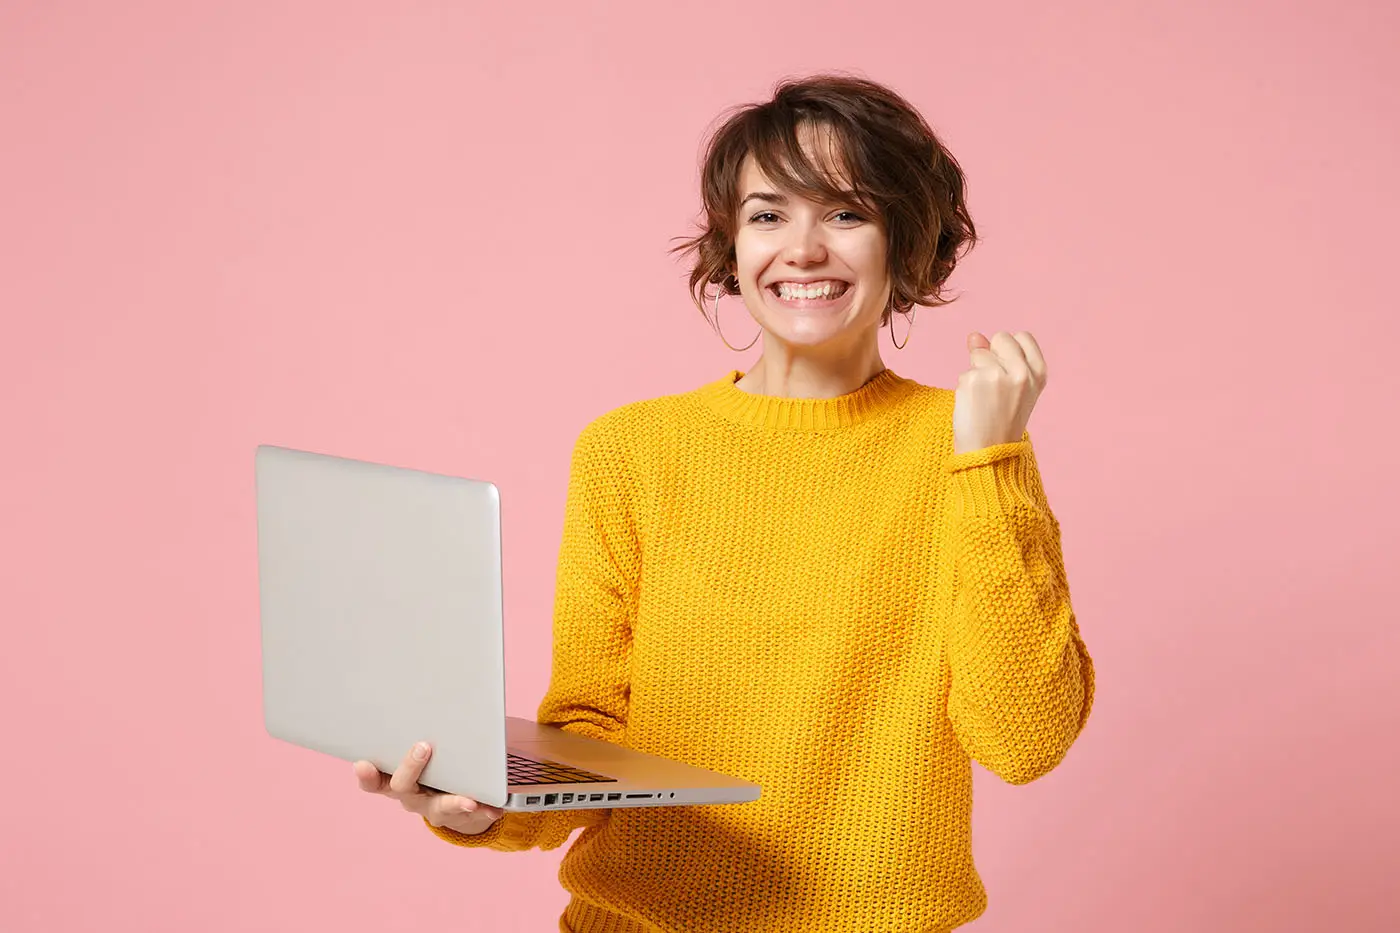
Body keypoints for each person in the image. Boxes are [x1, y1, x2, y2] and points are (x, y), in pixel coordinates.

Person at [352, 72, 1095, 933]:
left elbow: (1024, 739)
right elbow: (593, 727)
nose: (804, 249)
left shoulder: (965, 447)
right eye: (769, 214)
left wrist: (992, 459)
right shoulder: (631, 449)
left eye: (847, 213)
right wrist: (484, 807)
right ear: (730, 246)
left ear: (906, 241)